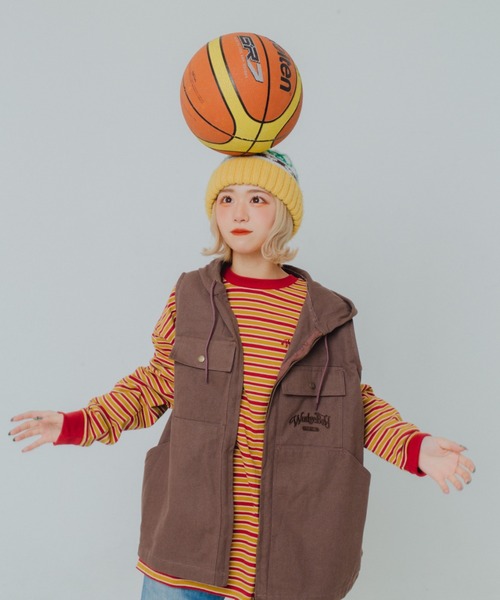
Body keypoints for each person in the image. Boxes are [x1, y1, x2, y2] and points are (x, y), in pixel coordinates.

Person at [9, 150, 475, 600]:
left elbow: (354, 405)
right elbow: (156, 383)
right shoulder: (191, 295)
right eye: (226, 198)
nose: (239, 212)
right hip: (186, 551)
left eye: (257, 199)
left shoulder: (325, 313)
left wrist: (415, 447)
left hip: (286, 561)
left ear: (284, 212)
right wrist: (75, 423)